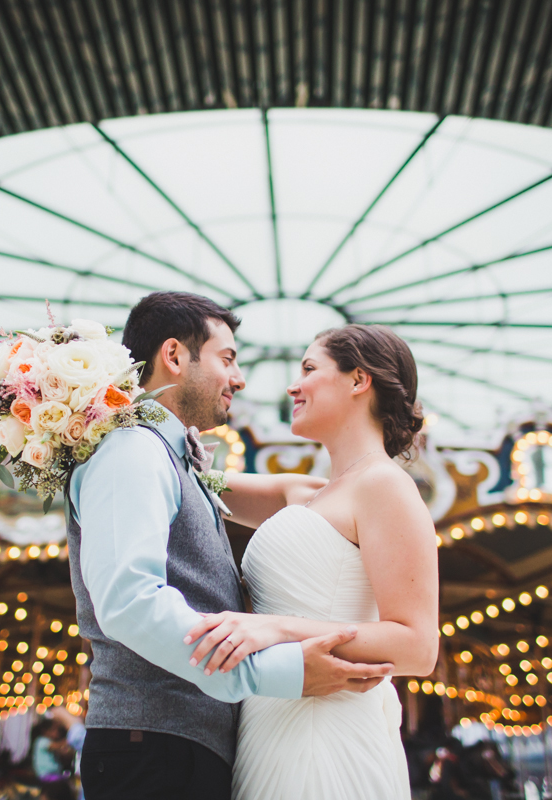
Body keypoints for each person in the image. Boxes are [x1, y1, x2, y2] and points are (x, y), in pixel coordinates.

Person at [67, 292, 396, 800]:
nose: (240, 379)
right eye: (227, 359)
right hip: (153, 741)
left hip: (203, 742)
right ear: (174, 356)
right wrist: (275, 668)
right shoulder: (133, 449)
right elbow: (129, 601)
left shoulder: (173, 460)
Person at [182, 322, 440, 799]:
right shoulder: (302, 492)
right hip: (268, 719)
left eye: (308, 368)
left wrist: (277, 628)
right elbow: (187, 474)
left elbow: (418, 647)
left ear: (358, 380)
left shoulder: (384, 485)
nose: (292, 385)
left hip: (328, 726)